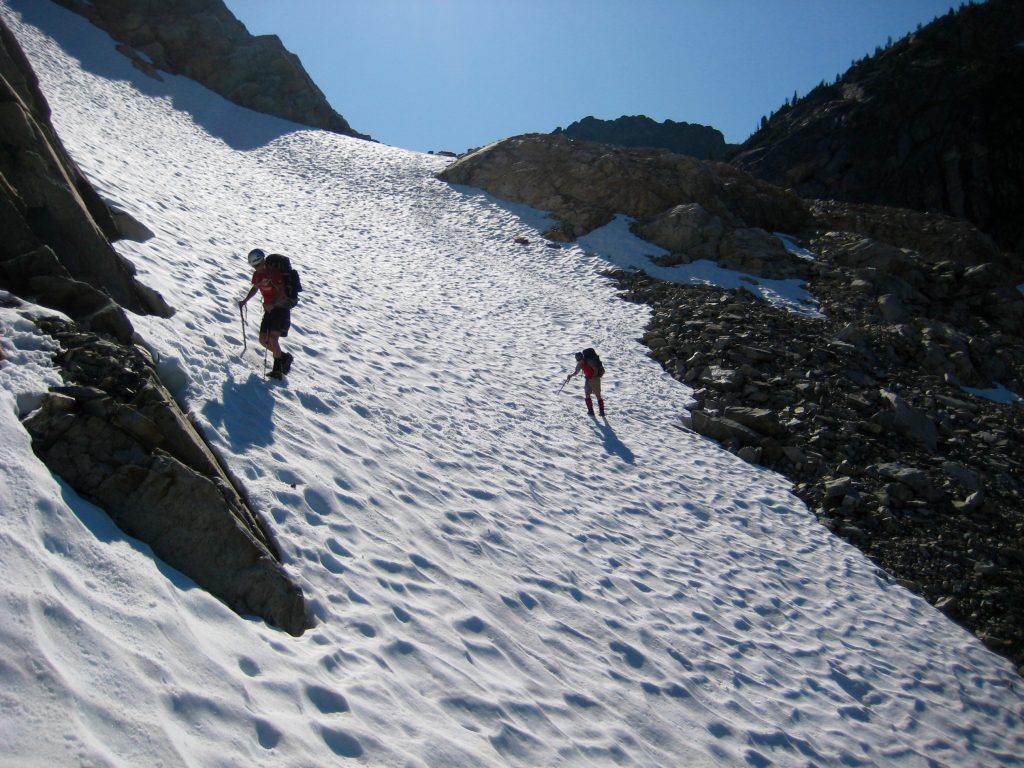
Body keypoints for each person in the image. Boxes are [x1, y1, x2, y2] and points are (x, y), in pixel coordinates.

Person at [239, 248, 293, 379]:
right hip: (269, 309)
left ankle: (277, 370)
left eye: (258, 265)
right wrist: (245, 300)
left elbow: (281, 290)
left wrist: (273, 303)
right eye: (254, 266)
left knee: (273, 339)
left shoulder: (274, 273)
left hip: (280, 309)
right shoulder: (257, 275)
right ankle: (284, 357)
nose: (256, 268)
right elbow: (256, 288)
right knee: (263, 340)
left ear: (263, 261)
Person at [565, 349, 605, 416]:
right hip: (588, 379)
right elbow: (576, 372)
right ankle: (591, 411)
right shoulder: (580, 364)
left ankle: (601, 412)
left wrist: (593, 377)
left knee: (598, 395)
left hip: (595, 379)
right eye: (578, 359)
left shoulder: (589, 361)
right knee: (587, 394)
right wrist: (571, 375)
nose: (580, 360)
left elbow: (595, 369)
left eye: (580, 359)